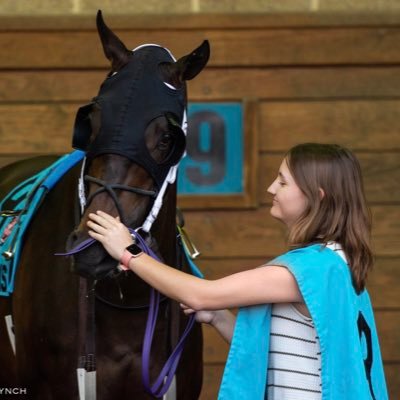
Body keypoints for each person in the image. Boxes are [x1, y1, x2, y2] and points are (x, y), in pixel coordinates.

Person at [87, 143, 388, 400]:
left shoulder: (313, 268)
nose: (271, 188)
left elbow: (200, 294)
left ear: (316, 197)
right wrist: (218, 317)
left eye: (283, 182)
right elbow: (280, 354)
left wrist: (128, 252)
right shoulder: (337, 262)